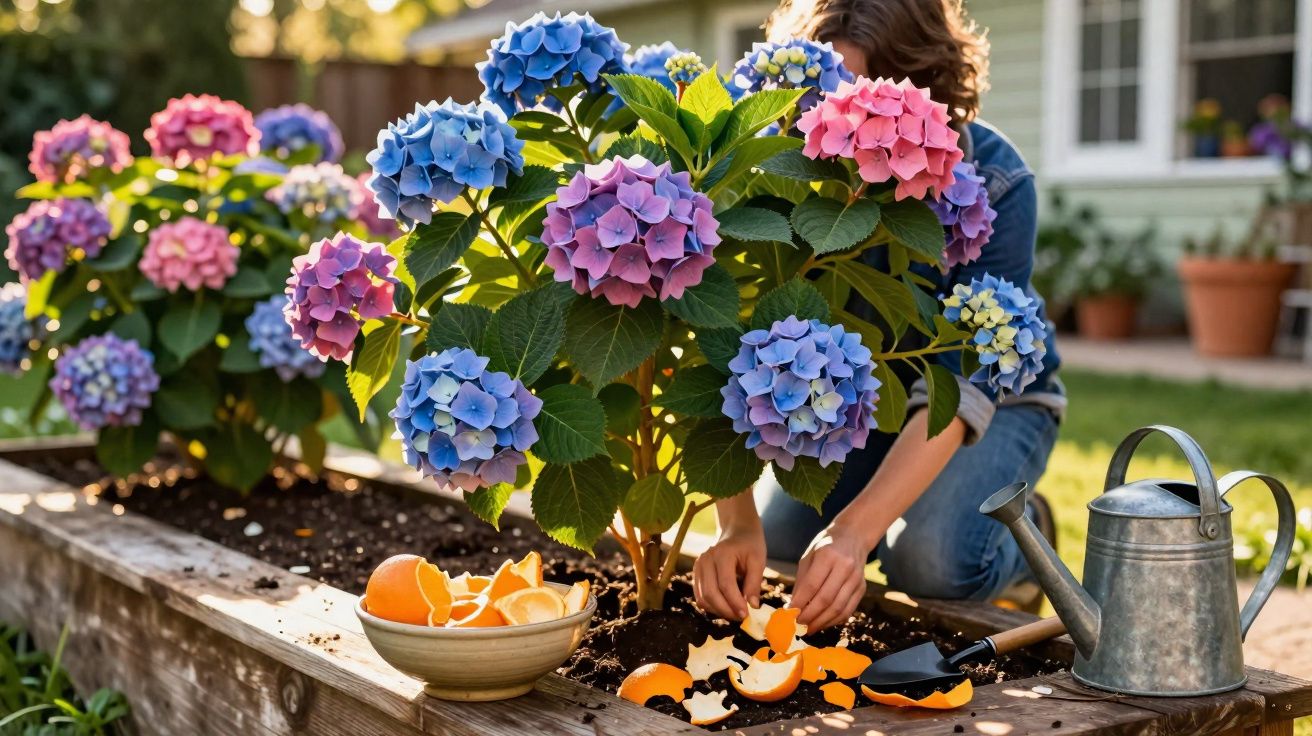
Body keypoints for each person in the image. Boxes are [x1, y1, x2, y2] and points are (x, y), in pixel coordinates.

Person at [693, 0, 1065, 631]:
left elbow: (963, 384)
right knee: (779, 552)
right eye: (827, 94)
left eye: (869, 101)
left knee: (930, 564)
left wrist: (853, 532)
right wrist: (735, 523)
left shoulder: (997, 181)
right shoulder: (777, 169)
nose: (843, 122)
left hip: (988, 408)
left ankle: (1027, 549)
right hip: (861, 412)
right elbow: (721, 342)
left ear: (925, 94)